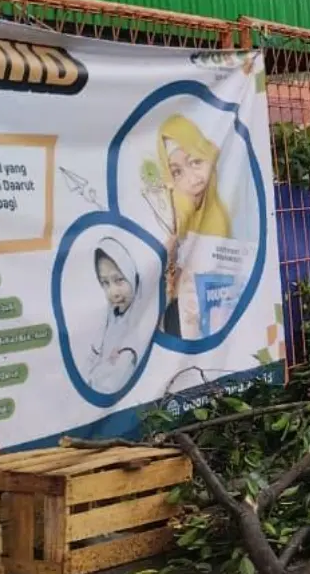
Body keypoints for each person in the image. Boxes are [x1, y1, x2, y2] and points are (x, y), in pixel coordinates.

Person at [157, 115, 232, 337]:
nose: (192, 178)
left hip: (216, 311)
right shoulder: (171, 213)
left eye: (195, 162)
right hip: (180, 313)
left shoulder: (219, 211)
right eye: (177, 172)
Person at [85, 237, 148, 395]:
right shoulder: (109, 319)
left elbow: (112, 385)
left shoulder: (143, 323)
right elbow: (89, 363)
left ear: (132, 276)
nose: (113, 292)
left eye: (119, 280)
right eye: (105, 283)